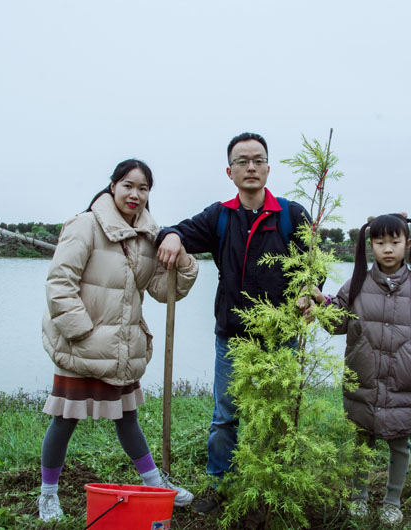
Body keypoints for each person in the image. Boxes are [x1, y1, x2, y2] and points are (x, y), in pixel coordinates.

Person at [156, 132, 310, 513]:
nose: (251, 167)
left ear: (269, 167)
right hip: (232, 335)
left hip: (281, 334)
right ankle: (220, 484)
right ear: (230, 171)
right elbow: (179, 231)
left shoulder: (291, 215)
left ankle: (269, 482)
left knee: (275, 413)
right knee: (226, 413)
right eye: (242, 161)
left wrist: (311, 289)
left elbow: (312, 266)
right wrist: (173, 236)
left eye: (258, 160)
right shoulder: (220, 216)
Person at [38, 159, 199, 522]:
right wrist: (83, 333)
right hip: (81, 345)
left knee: (128, 417)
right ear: (112, 186)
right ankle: (47, 495)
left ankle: (156, 484)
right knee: (65, 419)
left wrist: (184, 264)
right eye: (129, 185)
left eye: (143, 188)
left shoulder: (149, 237)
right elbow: (59, 284)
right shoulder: (85, 226)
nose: (135, 194)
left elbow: (161, 289)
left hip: (122, 346)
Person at [305, 213, 411, 526]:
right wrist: (322, 307)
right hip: (364, 378)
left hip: (404, 381)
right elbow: (339, 322)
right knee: (362, 443)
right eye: (380, 242)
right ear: (370, 245)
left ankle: (392, 501)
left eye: (395, 242)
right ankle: (358, 498)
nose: (388, 249)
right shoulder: (357, 284)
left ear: (408, 244)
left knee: (400, 445)